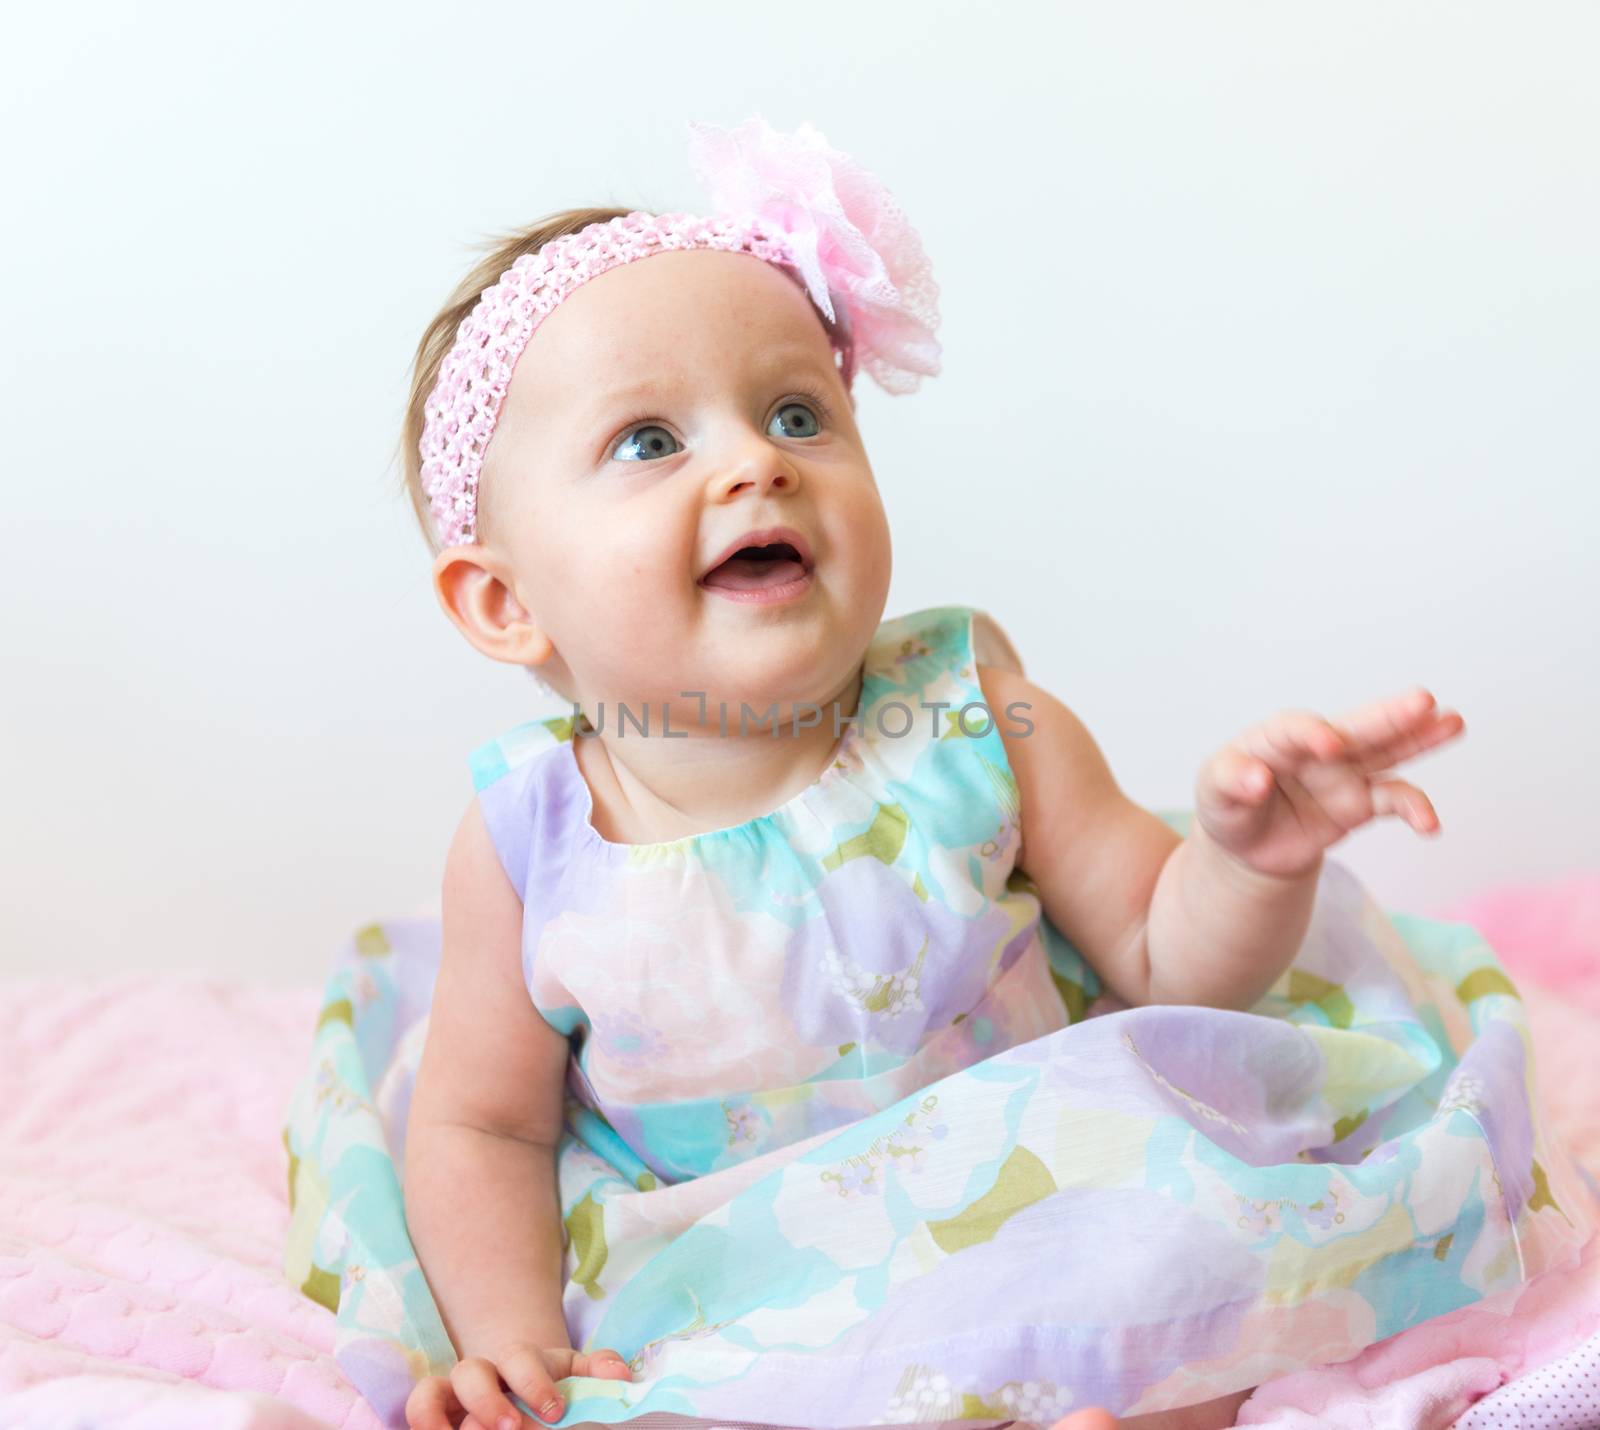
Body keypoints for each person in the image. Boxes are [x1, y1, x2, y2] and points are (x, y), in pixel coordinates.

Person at [280, 115, 1597, 1430]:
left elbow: (1168, 960)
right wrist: (517, 1344)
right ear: (508, 605)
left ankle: (1151, 1409)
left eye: (798, 410)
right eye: (647, 442)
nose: (758, 459)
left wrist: (1250, 862)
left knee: (1181, 1243)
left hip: (1028, 1191)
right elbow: (485, 1131)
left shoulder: (980, 722)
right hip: (740, 1262)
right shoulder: (531, 844)